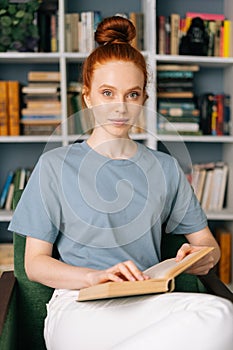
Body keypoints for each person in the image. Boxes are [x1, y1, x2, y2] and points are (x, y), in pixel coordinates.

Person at [9, 16, 233, 350]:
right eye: (107, 92)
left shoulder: (165, 167)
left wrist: (204, 257)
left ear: (143, 99)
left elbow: (206, 244)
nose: (120, 107)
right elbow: (35, 264)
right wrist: (92, 277)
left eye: (132, 94)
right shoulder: (54, 165)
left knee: (222, 314)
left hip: (147, 300)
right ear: (87, 98)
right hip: (79, 304)